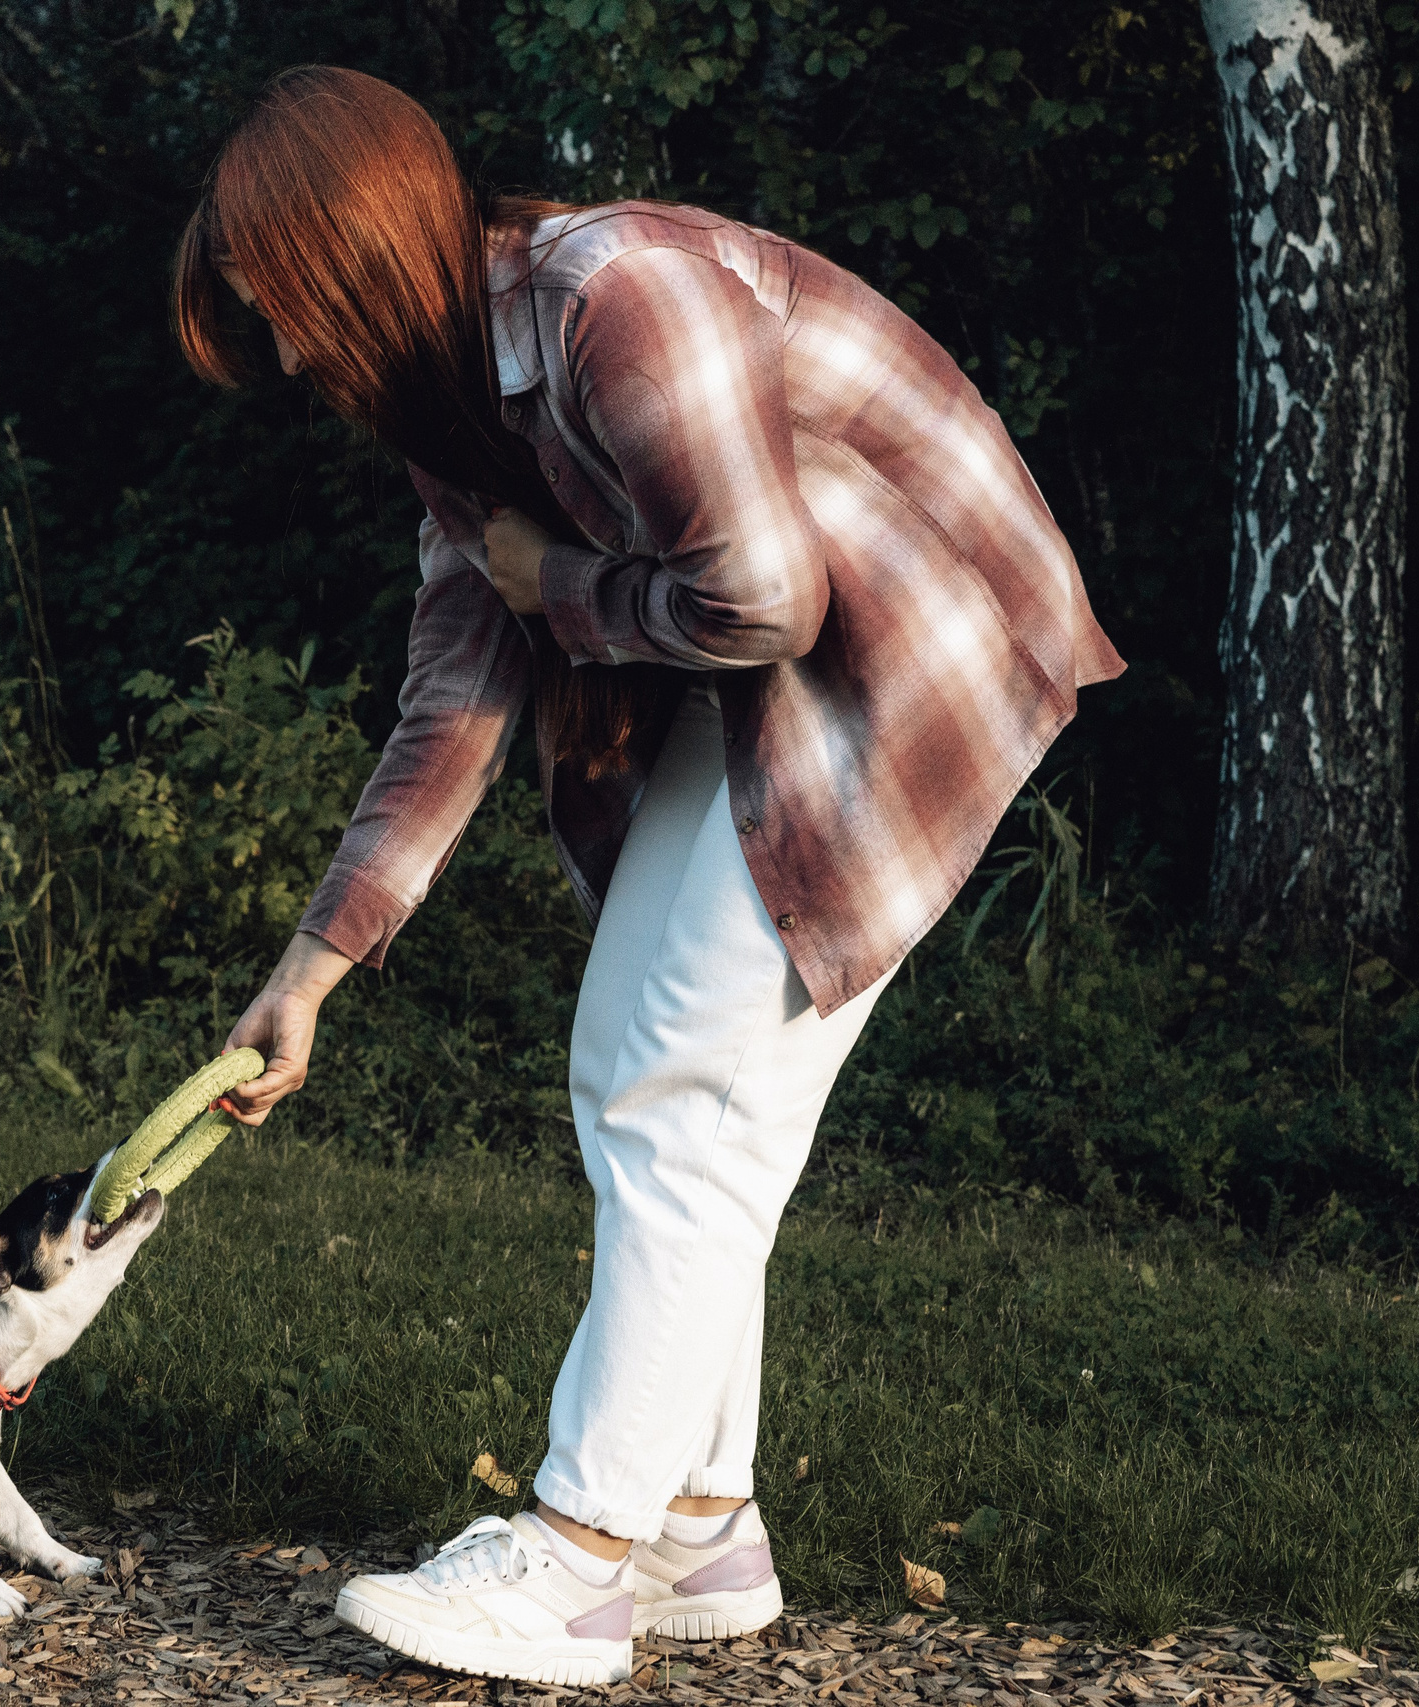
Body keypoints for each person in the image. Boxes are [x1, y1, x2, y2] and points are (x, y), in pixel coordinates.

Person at [173, 66, 1122, 1687]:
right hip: (768, 654)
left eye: (289, 311)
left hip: (914, 632)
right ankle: (699, 1524)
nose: (291, 360)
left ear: (366, 252)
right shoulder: (452, 412)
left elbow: (769, 599)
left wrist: (558, 580)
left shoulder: (616, 298)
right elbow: (454, 702)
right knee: (635, 1063)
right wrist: (309, 971)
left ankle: (575, 1559)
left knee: (684, 1093)